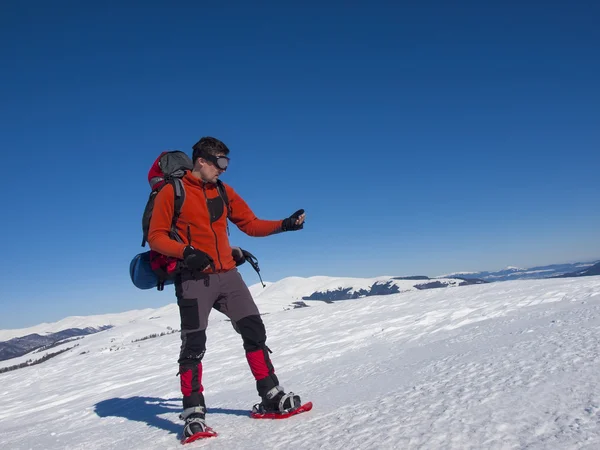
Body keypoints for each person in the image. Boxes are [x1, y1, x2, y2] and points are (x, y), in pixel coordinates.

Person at [147, 136, 306, 439]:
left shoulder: (222, 190)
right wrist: (185, 253)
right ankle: (193, 413)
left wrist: (285, 224)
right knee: (194, 346)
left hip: (229, 276)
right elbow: (156, 237)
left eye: (226, 162)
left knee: (254, 331)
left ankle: (270, 395)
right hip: (194, 279)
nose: (224, 169)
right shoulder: (172, 192)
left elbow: (250, 224)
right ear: (201, 161)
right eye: (220, 162)